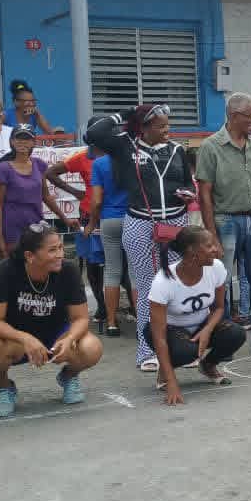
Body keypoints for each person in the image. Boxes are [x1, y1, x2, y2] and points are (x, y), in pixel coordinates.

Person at [85, 105, 194, 372]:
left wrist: (186, 193)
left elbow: (189, 182)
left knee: (179, 286)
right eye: (160, 126)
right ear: (143, 127)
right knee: (147, 288)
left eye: (168, 125)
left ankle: (184, 349)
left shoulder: (177, 150)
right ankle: (148, 351)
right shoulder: (126, 147)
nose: (167, 130)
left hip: (176, 222)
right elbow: (94, 133)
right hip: (140, 222)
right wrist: (129, 112)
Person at [0, 224, 102, 418]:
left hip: (56, 337)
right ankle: (5, 388)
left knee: (92, 346)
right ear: (29, 256)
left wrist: (69, 340)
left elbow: (81, 318)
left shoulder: (68, 270)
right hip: (17, 341)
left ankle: (69, 377)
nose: (60, 254)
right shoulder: (6, 271)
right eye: (53, 250)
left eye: (60, 247)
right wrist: (25, 338)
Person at [196, 93, 251, 358]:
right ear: (234, 116)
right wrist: (211, 232)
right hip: (226, 220)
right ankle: (223, 340)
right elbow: (205, 194)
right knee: (220, 282)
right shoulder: (211, 147)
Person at [145, 226, 245, 405]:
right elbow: (159, 336)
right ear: (192, 251)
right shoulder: (163, 281)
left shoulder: (216, 268)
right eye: (209, 246)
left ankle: (208, 365)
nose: (216, 249)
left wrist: (207, 329)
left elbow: (219, 308)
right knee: (187, 352)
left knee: (236, 333)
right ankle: (165, 373)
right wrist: (172, 383)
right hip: (168, 330)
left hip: (201, 324)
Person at [45, 117, 107, 326]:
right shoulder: (82, 156)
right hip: (89, 216)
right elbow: (50, 173)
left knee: (121, 266)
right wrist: (76, 192)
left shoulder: (119, 155)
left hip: (115, 216)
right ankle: (102, 307)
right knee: (92, 266)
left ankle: (123, 309)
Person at [0, 125, 77, 257]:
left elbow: (46, 196)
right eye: (18, 138)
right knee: (16, 266)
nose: (22, 142)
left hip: (36, 223)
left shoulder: (39, 164)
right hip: (12, 226)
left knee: (38, 264)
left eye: (27, 139)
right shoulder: (4, 168)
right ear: (12, 142)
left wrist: (66, 219)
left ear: (33, 142)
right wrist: (0, 236)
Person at [85, 150, 136, 337]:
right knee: (135, 272)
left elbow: (97, 201)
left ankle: (112, 323)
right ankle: (141, 321)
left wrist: (91, 224)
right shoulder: (134, 158)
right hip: (134, 219)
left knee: (112, 271)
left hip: (109, 219)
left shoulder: (99, 164)